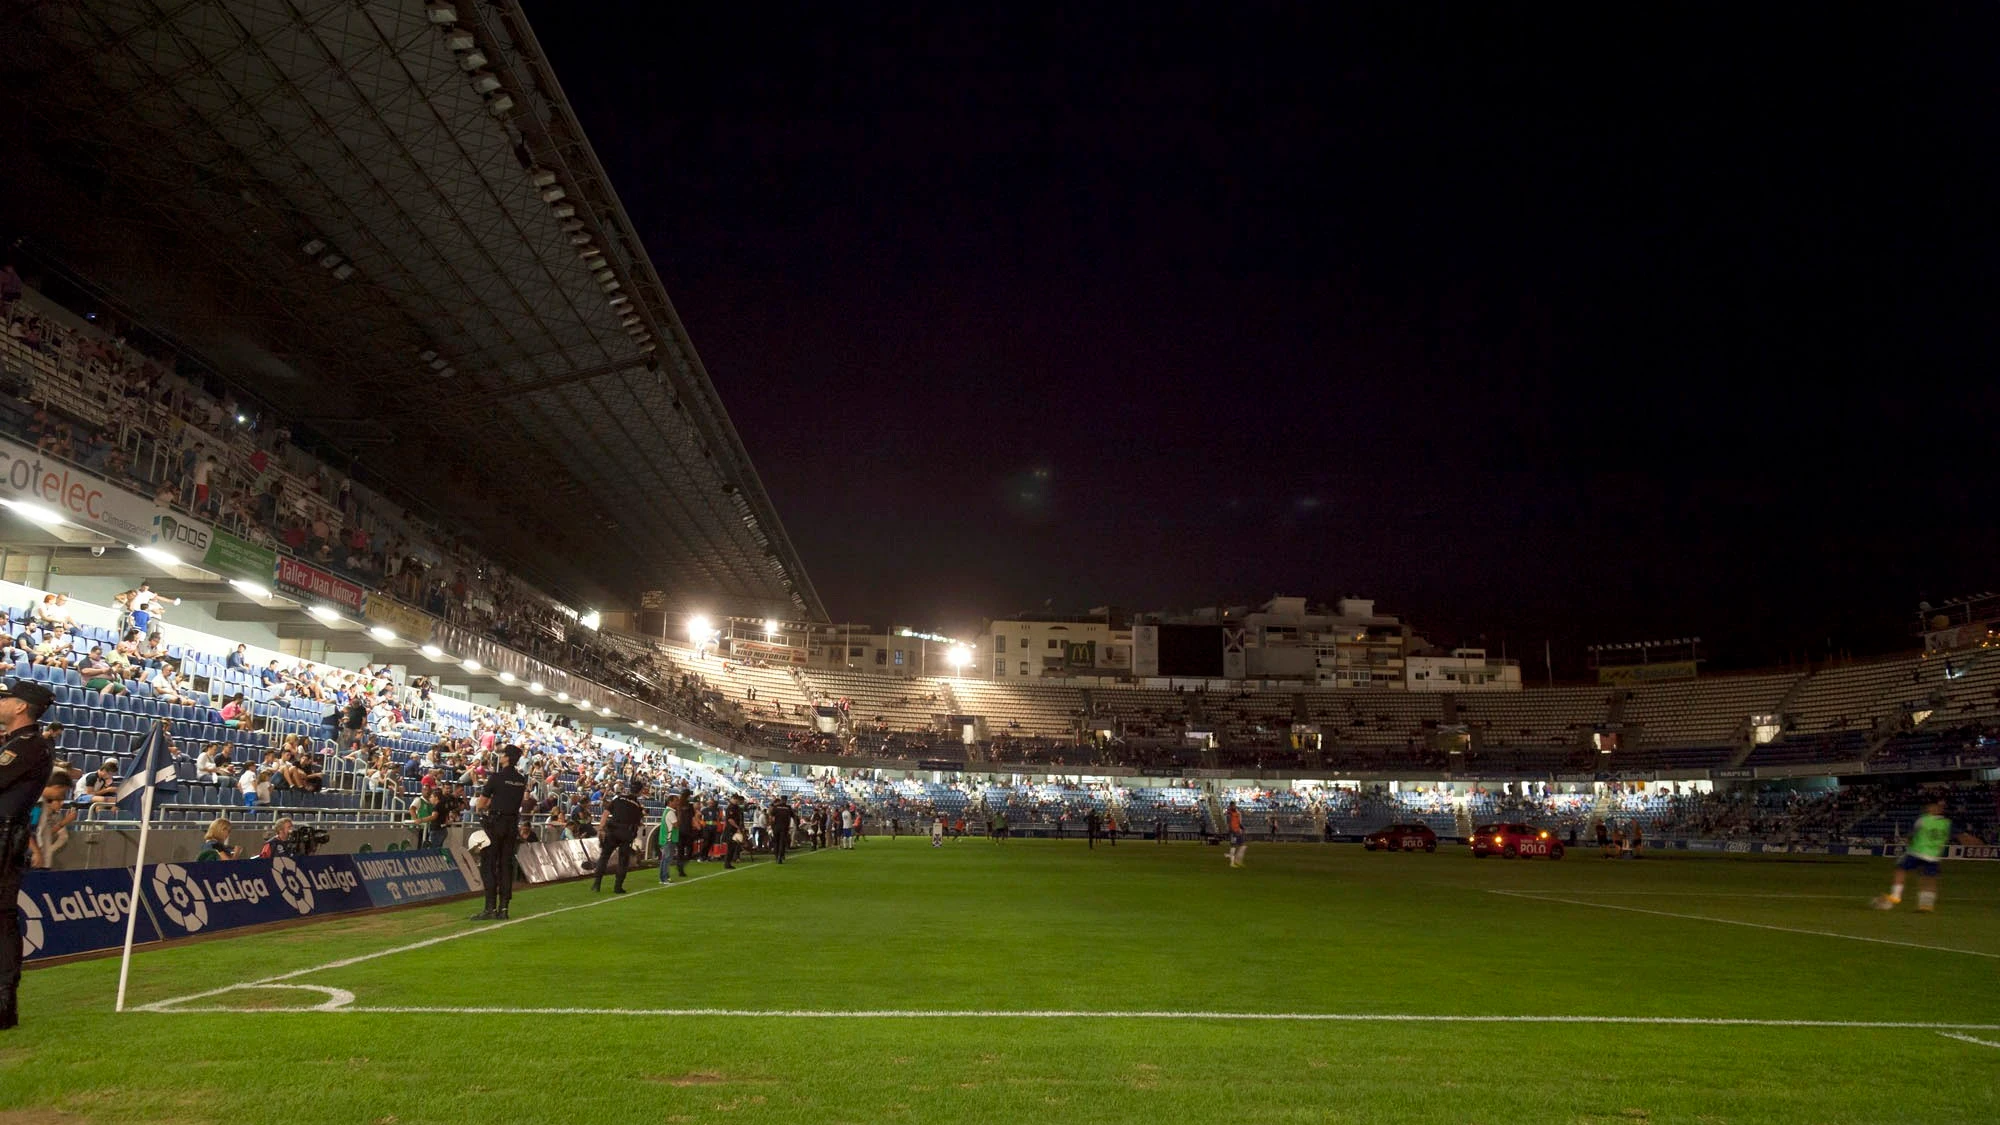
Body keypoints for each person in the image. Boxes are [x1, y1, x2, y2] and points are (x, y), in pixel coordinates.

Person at [0, 681, 55, 1029]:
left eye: (7, 698)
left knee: (1, 918)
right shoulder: (22, 745)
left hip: (3, 836)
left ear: (21, 707)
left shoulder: (30, 746)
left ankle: (4, 1001)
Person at [469, 746, 528, 921]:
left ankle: (489, 908)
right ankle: (504, 908)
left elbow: (481, 804)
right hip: (511, 825)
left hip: (496, 824)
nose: (499, 756)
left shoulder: (496, 777)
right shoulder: (521, 780)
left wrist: (489, 805)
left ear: (507, 758)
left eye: (502, 754)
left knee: (488, 865)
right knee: (505, 866)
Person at [1876, 798, 1952, 913]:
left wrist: (1909, 840)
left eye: (1930, 806)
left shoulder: (1924, 819)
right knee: (1929, 879)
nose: (1927, 808)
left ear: (1933, 808)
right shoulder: (1946, 823)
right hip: (1933, 855)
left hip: (1917, 851)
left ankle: (1896, 896)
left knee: (1900, 869)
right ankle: (1926, 905)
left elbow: (1913, 833)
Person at [591, 780, 646, 893]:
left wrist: (601, 829)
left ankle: (597, 884)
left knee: (604, 857)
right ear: (640, 792)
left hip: (612, 831)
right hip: (626, 834)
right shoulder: (637, 806)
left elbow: (605, 813)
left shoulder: (618, 799)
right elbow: (638, 823)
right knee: (623, 861)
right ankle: (618, 887)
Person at [657, 795, 681, 884]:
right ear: (670, 802)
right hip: (668, 839)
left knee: (665, 859)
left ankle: (664, 877)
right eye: (676, 801)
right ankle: (664, 878)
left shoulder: (667, 811)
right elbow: (676, 825)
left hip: (666, 838)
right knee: (666, 859)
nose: (677, 803)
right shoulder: (671, 812)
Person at [769, 795, 794, 864]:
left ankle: (777, 856)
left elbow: (771, 818)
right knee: (782, 842)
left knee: (776, 842)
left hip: (776, 827)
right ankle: (780, 856)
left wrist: (772, 827)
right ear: (786, 800)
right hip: (784, 827)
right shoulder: (788, 807)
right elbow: (793, 816)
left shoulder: (776, 807)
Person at [1226, 802, 1247, 868]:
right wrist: (1231, 831)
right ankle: (1232, 863)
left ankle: (1237, 860)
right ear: (1231, 806)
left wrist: (1242, 828)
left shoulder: (1237, 813)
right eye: (1233, 806)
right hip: (1233, 832)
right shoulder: (1229, 813)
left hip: (1238, 831)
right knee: (1233, 846)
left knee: (1243, 846)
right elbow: (1229, 823)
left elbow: (1238, 822)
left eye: (1235, 805)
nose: (1234, 807)